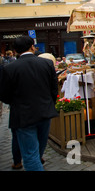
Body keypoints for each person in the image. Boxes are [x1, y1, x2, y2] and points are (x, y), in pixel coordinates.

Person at [0, 36, 58, 171]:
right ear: (32, 47)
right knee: (37, 152)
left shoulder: (9, 68)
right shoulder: (47, 64)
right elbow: (53, 89)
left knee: (30, 154)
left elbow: (4, 95)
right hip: (44, 112)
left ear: (15, 50)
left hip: (23, 115)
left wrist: (16, 103)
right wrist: (48, 103)